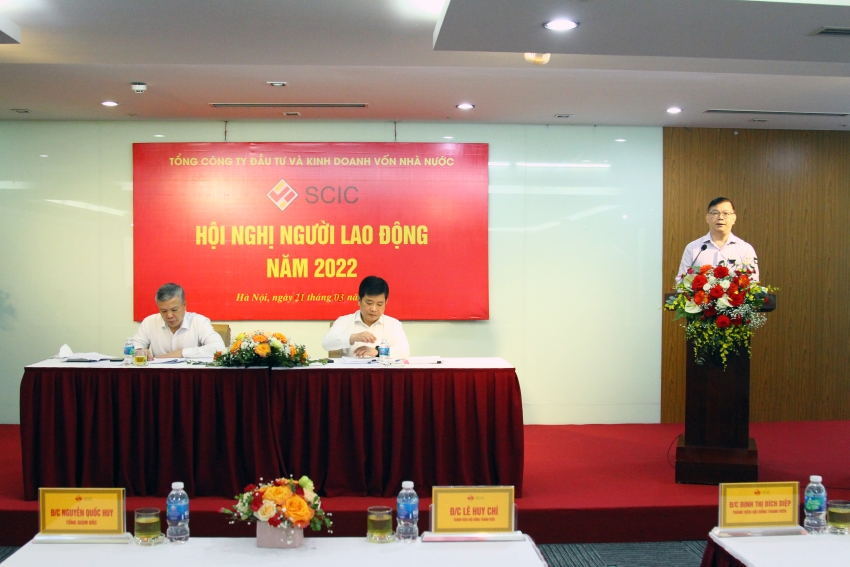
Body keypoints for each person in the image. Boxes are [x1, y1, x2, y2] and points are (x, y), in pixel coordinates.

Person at [322, 275, 410, 358]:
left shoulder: (393, 324)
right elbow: (326, 343)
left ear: (386, 302)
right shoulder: (344, 321)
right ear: (359, 300)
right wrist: (354, 337)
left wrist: (378, 352)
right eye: (369, 303)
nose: (374, 309)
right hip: (352, 369)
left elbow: (404, 351)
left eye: (379, 304)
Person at [677, 197, 759, 283]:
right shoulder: (693, 248)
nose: (720, 217)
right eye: (715, 213)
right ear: (707, 218)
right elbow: (681, 281)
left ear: (734, 218)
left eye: (726, 213)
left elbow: (753, 282)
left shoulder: (745, 249)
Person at [132, 283, 225, 358]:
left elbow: (219, 348)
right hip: (160, 374)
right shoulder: (149, 322)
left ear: (184, 305)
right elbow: (132, 349)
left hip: (190, 374)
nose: (169, 315)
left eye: (174, 310)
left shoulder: (199, 322)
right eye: (163, 311)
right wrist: (138, 351)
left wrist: (182, 353)